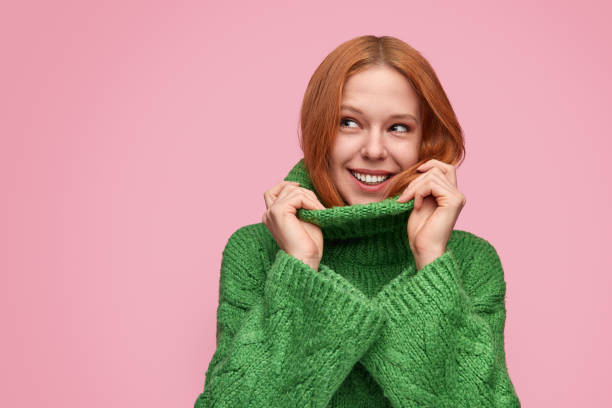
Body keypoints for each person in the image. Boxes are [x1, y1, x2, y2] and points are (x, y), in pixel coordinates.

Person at [193, 35, 521, 407]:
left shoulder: (470, 261)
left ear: (425, 140)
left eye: (399, 128)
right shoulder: (255, 252)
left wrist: (430, 260)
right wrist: (300, 267)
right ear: (320, 130)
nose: (374, 150)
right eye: (349, 122)